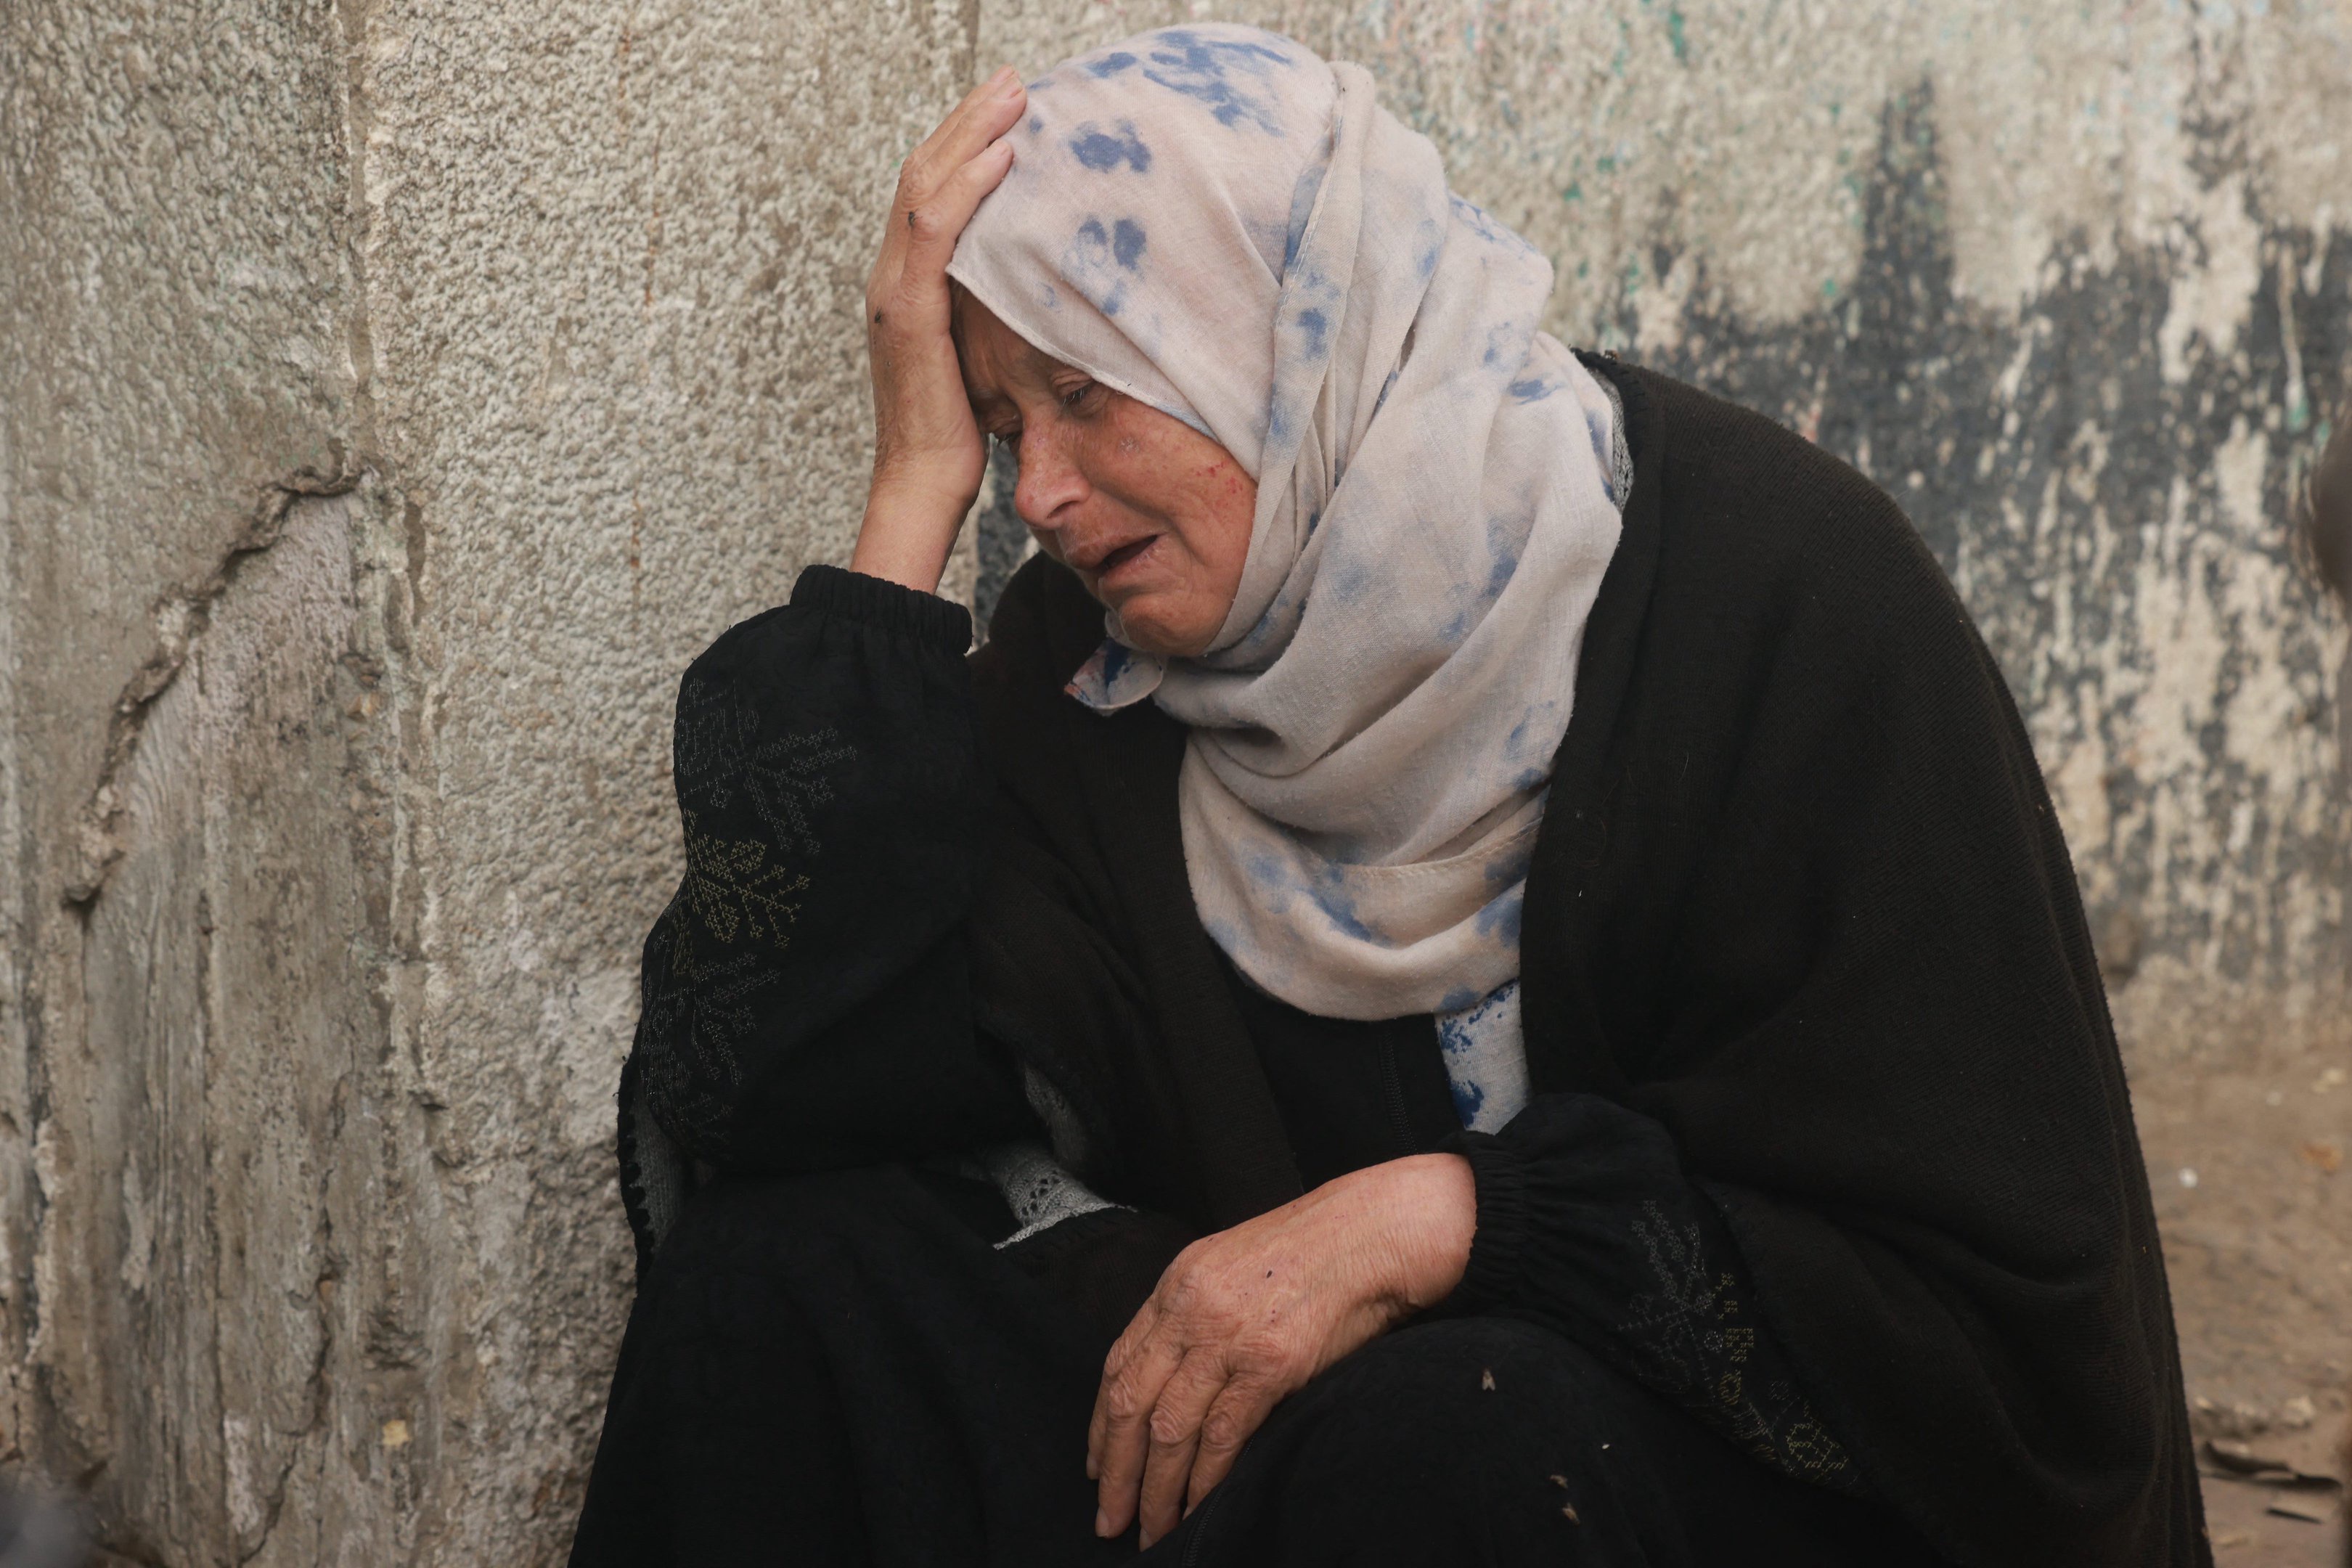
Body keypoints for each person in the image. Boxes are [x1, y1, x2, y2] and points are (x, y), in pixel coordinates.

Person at [567, 25, 2206, 1567]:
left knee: (1471, 1435)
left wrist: (1445, 1223)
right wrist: (908, 499)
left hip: (1738, 1483)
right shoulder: (1116, 664)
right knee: (777, 1286)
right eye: (1001, 427)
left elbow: (1983, 1324)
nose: (1041, 498)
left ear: (1282, 329)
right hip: (1330, 1460)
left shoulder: (1785, 601)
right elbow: (764, 1094)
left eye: (1085, 390)